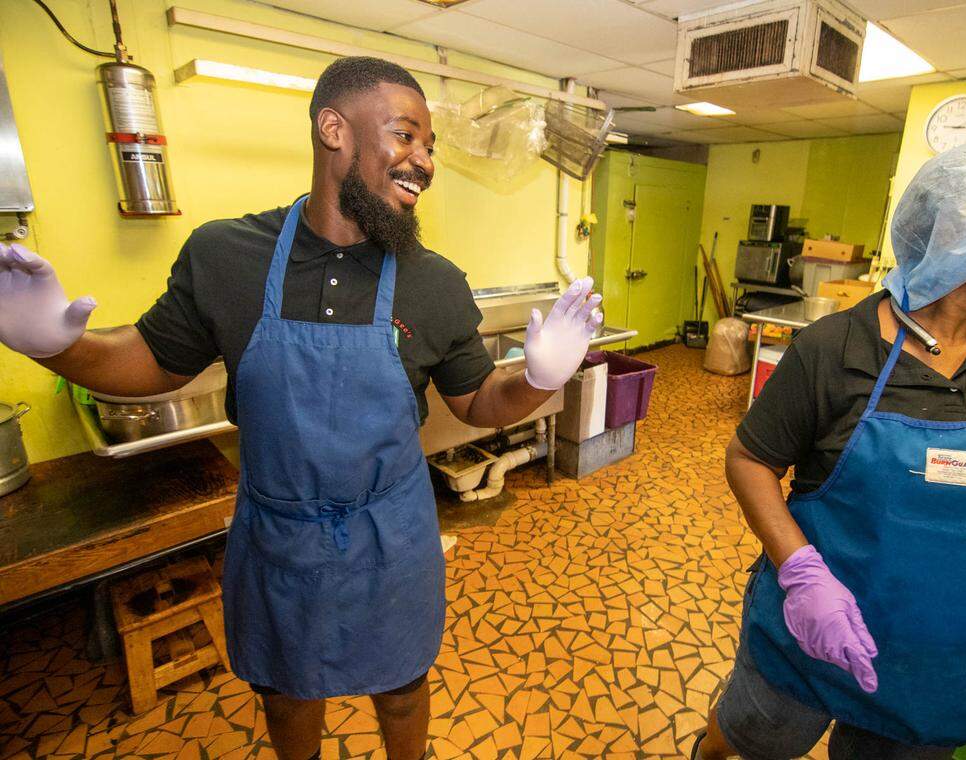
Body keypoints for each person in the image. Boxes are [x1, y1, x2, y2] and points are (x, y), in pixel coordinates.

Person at [0, 57, 602, 760]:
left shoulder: (432, 284)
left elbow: (477, 401)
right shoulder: (228, 256)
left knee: (403, 686)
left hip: (392, 538)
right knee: (286, 690)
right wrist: (55, 348)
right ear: (333, 129)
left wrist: (537, 379)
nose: (424, 162)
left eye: (429, 147)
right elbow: (154, 359)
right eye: (407, 137)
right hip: (277, 535)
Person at [690, 140, 966, 760]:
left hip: (947, 669)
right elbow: (750, 458)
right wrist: (799, 571)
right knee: (745, 740)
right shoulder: (833, 349)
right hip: (810, 635)